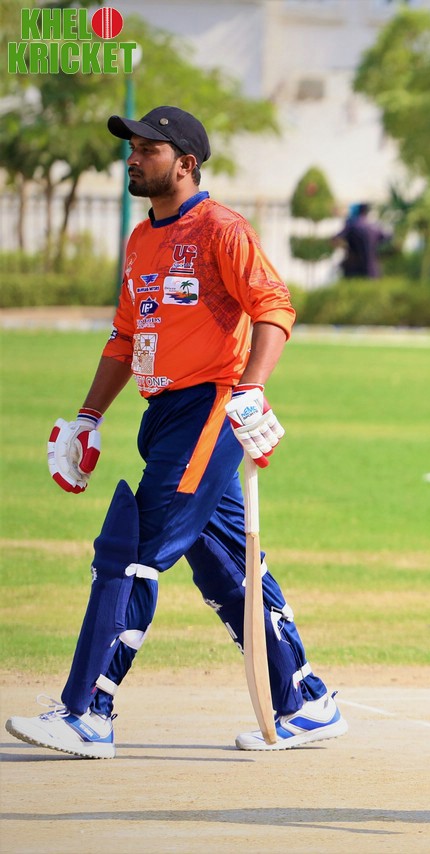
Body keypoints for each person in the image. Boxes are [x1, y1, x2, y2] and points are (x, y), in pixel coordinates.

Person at [4, 106, 346, 758]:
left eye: (147, 149)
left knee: (131, 549)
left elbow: (274, 308)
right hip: (161, 415)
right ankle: (304, 700)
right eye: (131, 148)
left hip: (208, 409)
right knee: (227, 570)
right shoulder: (142, 239)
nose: (132, 158)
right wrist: (88, 417)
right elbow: (125, 336)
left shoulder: (221, 229)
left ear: (186, 163)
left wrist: (251, 388)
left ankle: (88, 711)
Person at [333, 202, 389, 278]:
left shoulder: (351, 224)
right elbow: (387, 238)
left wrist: (344, 246)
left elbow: (336, 239)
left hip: (355, 268)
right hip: (373, 269)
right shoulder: (374, 225)